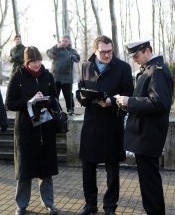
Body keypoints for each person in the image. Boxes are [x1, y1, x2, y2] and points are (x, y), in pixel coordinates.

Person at [76, 35, 134, 215]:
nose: (108, 55)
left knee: (112, 170)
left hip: (112, 124)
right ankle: (90, 205)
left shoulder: (123, 67)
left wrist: (111, 100)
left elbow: (128, 92)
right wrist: (83, 97)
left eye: (110, 51)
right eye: (103, 52)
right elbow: (79, 90)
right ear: (95, 50)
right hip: (91, 123)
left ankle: (110, 207)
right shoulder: (86, 66)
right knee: (88, 167)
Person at [116, 40, 173, 215]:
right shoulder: (149, 70)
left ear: (148, 50)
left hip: (149, 136)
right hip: (145, 134)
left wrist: (129, 101)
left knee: (150, 183)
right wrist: (126, 103)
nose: (134, 60)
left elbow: (159, 103)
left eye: (137, 56)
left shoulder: (157, 71)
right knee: (148, 182)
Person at [5, 46, 59, 215]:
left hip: (45, 127)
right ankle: (21, 205)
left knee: (46, 170)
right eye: (32, 61)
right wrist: (29, 101)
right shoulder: (18, 76)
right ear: (26, 62)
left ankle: (48, 203)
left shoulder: (48, 76)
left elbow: (55, 98)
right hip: (26, 130)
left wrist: (49, 101)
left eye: (38, 61)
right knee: (25, 171)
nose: (36, 65)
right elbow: (9, 103)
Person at [46, 34, 80, 115]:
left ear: (69, 42)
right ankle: (55, 110)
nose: (63, 42)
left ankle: (70, 109)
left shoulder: (72, 51)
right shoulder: (56, 49)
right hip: (56, 77)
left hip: (67, 77)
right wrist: (56, 47)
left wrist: (74, 57)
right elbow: (49, 54)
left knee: (68, 96)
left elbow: (77, 58)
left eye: (66, 41)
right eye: (62, 41)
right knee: (54, 95)